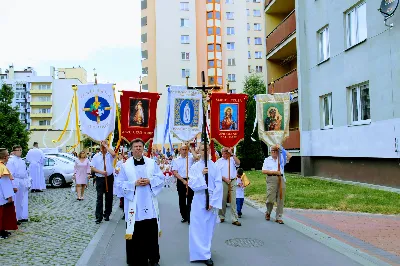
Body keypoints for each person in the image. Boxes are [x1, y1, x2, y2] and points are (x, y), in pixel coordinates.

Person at [116, 138, 164, 266]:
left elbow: (161, 178)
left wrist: (150, 181)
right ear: (131, 149)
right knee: (135, 233)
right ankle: (135, 259)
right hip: (134, 205)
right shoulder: (125, 166)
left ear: (143, 148)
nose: (138, 148)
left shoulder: (151, 163)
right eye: (135, 146)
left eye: (140, 146)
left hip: (149, 202)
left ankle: (153, 259)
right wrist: (134, 184)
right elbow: (119, 185)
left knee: (151, 233)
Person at [188, 144, 223, 266]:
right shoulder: (195, 167)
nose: (205, 151)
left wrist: (212, 202)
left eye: (207, 149)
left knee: (208, 228)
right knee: (198, 227)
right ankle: (198, 253)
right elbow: (192, 184)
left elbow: (219, 185)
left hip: (211, 200)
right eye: (203, 149)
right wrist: (202, 174)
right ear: (199, 151)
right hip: (199, 199)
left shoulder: (215, 166)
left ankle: (206, 253)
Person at [262, 144, 292, 224]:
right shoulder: (267, 160)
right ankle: (268, 212)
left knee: (280, 199)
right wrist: (275, 172)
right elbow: (264, 171)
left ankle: (278, 217)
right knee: (270, 199)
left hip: (281, 179)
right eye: (273, 151)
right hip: (271, 178)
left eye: (276, 151)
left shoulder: (281, 159)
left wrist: (281, 148)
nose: (274, 152)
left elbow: (290, 156)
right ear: (270, 152)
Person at [91, 141, 116, 224]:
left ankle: (107, 214)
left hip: (109, 178)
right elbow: (92, 168)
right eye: (102, 145)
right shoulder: (96, 156)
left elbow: (114, 154)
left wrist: (106, 146)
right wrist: (101, 172)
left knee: (109, 197)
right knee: (99, 197)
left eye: (105, 145)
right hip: (100, 178)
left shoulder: (109, 155)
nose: (104, 147)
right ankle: (99, 216)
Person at [171, 144, 197, 224]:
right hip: (181, 180)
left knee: (190, 199)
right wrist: (183, 180)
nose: (184, 151)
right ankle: (184, 216)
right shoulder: (176, 160)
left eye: (186, 149)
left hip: (190, 180)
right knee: (182, 199)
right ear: (180, 150)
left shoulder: (191, 158)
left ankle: (190, 217)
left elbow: (197, 158)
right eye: (183, 149)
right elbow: (175, 172)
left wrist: (191, 148)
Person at [216, 147, 241, 226]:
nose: (226, 152)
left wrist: (232, 154)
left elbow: (239, 163)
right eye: (224, 151)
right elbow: (216, 173)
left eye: (227, 151)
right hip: (223, 181)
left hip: (232, 181)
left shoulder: (232, 159)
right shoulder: (218, 162)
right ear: (221, 152)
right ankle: (221, 216)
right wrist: (224, 179)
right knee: (223, 200)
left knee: (233, 200)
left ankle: (234, 218)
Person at [7, 145, 30, 223]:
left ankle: (21, 216)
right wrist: (13, 185)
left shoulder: (21, 160)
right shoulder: (11, 160)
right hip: (16, 180)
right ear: (13, 151)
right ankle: (15, 217)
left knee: (22, 200)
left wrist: (27, 181)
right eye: (18, 150)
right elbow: (11, 173)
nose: (20, 152)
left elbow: (26, 172)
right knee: (16, 200)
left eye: (21, 150)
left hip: (22, 181)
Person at [0, 148, 18, 239]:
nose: (9, 157)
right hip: (2, 195)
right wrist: (9, 196)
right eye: (8, 155)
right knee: (1, 214)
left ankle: (2, 229)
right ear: (4, 157)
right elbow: (5, 183)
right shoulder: (2, 167)